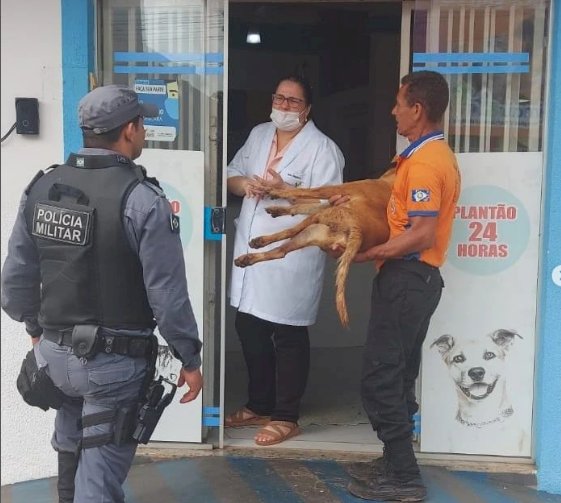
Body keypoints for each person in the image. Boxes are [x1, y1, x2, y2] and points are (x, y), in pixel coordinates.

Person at [1, 84, 203, 503]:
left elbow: (16, 277)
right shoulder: (144, 199)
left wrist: (35, 329)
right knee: (99, 479)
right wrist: (190, 357)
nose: (144, 131)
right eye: (142, 124)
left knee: (69, 449)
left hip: (54, 359)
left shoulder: (42, 188)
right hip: (113, 365)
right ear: (129, 130)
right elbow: (167, 295)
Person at [343, 71, 461, 501]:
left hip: (409, 279)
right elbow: (390, 204)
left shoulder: (429, 163)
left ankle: (405, 478)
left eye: (398, 103)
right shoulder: (419, 156)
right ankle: (393, 461)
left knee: (381, 378)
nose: (392, 110)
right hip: (412, 281)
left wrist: (372, 254)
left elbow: (422, 233)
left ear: (418, 109)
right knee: (400, 374)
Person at [225, 75, 344, 446]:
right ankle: (259, 403)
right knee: (249, 328)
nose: (284, 106)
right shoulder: (259, 134)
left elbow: (329, 206)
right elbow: (230, 173)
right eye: (280, 98)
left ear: (307, 109)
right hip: (252, 251)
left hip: (291, 254)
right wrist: (246, 185)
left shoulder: (323, 150)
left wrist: (287, 192)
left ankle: (286, 415)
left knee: (288, 333)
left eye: (293, 101)